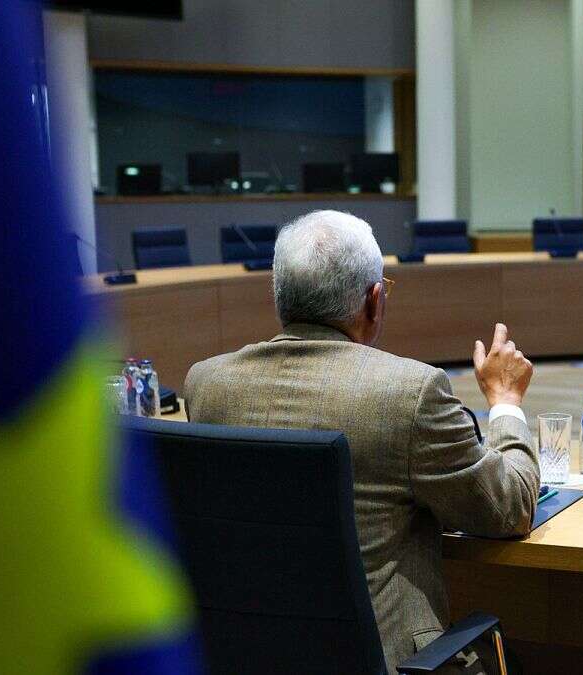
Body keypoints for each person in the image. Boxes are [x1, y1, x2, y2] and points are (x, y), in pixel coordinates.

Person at [183, 210, 540, 672]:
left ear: (280, 299)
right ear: (374, 300)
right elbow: (508, 508)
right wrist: (506, 401)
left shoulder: (207, 384)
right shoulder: (411, 394)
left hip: (242, 657)